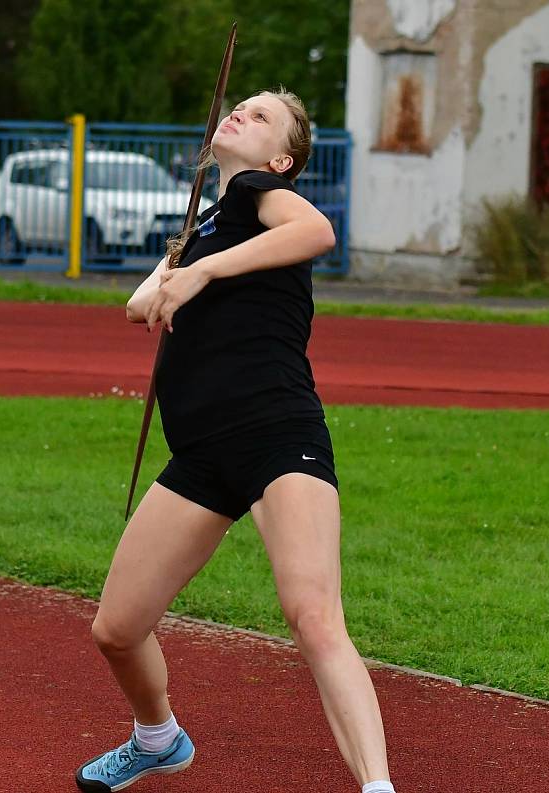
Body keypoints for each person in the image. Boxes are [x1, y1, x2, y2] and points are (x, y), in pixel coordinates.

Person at [75, 89, 396, 793]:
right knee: (117, 629)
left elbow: (317, 231)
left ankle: (378, 786)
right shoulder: (211, 219)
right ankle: (157, 738)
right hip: (202, 453)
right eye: (238, 108)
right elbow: (137, 306)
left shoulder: (258, 194)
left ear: (281, 158)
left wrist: (204, 269)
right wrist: (182, 257)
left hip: (277, 433)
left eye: (259, 117)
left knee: (313, 616)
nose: (239, 115)